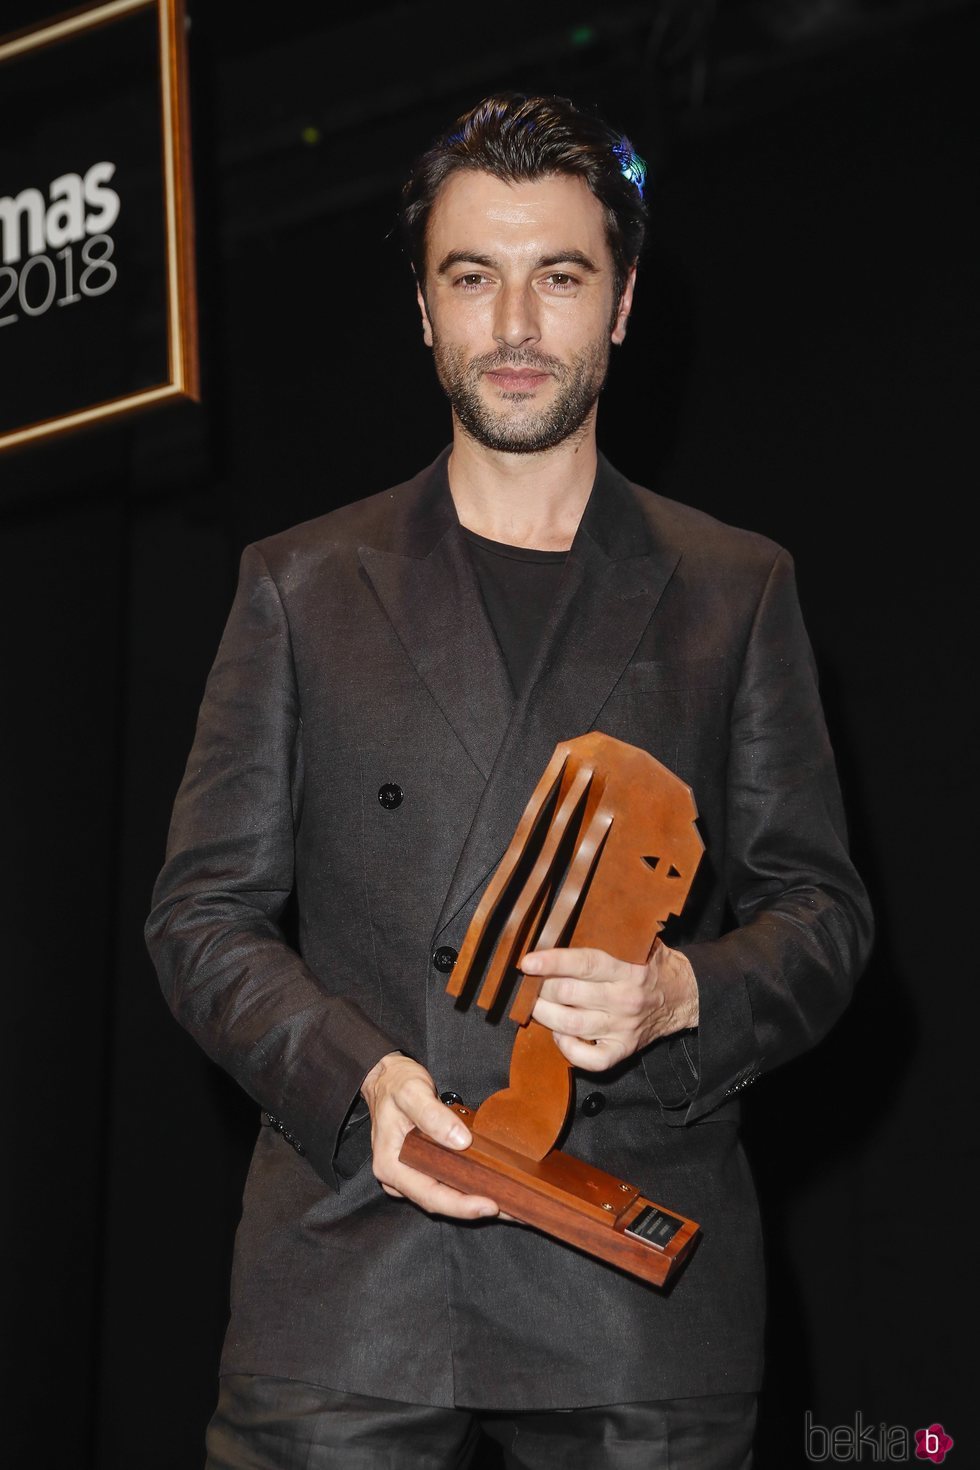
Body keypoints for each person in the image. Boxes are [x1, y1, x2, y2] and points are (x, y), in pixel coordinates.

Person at [145, 91, 873, 1469]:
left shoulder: (735, 587)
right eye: (473, 277)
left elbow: (825, 918)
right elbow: (199, 917)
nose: (518, 323)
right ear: (426, 311)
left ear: (624, 302)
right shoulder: (297, 585)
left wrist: (682, 993)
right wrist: (357, 1076)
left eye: (561, 276)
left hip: (631, 1280)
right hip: (351, 1265)